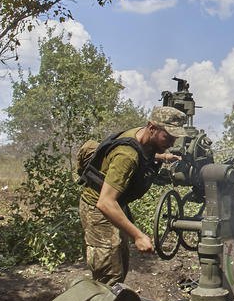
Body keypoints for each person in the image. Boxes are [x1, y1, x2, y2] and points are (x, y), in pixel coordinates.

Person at [79, 106, 186, 285]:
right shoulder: (127, 156)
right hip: (100, 209)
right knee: (109, 277)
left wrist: (161, 157)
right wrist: (138, 236)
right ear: (152, 128)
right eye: (167, 137)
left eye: (174, 138)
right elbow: (105, 203)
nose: (172, 143)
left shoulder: (142, 137)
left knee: (119, 264)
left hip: (116, 205)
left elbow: (143, 151)